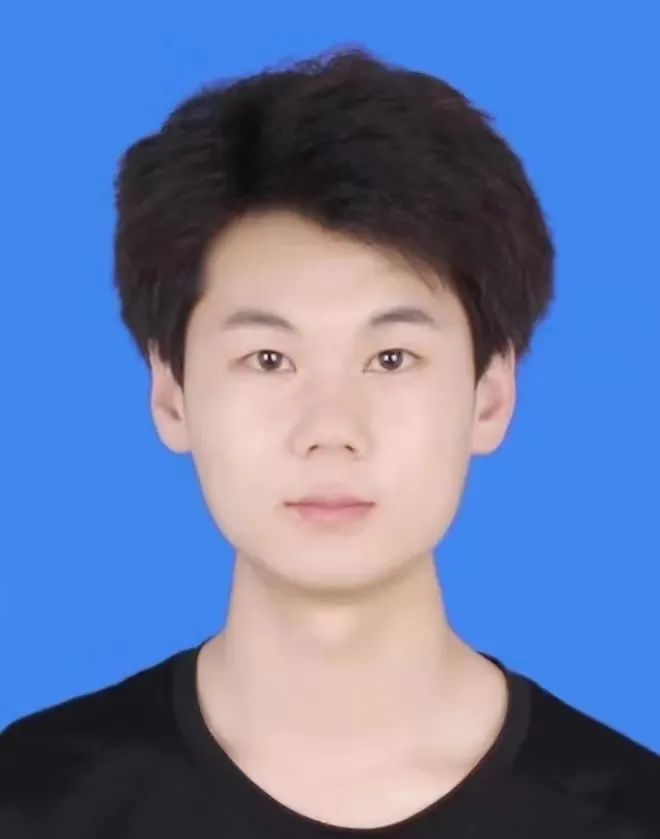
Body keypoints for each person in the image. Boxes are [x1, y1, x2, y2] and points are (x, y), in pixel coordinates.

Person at [1, 44, 658, 838]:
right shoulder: (30, 802)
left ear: (491, 394)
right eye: (268, 359)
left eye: (392, 358)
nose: (331, 431)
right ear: (171, 393)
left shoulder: (631, 813)